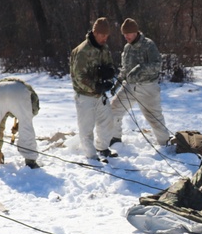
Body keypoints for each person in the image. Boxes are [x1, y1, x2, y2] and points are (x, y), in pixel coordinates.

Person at [110, 18, 172, 146]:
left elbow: (157, 65)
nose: (126, 37)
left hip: (147, 87)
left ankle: (165, 143)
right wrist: (117, 83)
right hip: (129, 86)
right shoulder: (127, 48)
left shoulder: (148, 45)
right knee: (114, 108)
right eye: (124, 34)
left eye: (128, 33)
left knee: (154, 118)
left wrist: (140, 68)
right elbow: (125, 69)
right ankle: (115, 138)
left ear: (135, 32)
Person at [70, 17, 118, 161]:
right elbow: (79, 76)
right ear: (95, 33)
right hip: (85, 95)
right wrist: (96, 86)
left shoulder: (104, 48)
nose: (105, 38)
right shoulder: (82, 51)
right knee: (86, 128)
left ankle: (102, 148)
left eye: (107, 35)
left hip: (100, 94)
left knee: (107, 121)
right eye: (102, 35)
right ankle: (91, 156)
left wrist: (109, 73)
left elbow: (109, 64)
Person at [0, 77, 41, 169]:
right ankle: (30, 161)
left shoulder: (4, 84)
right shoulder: (30, 93)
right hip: (19, 92)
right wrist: (20, 125)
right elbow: (32, 113)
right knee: (26, 126)